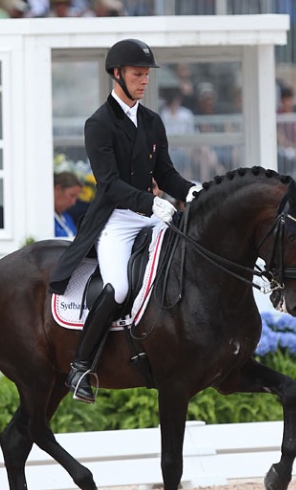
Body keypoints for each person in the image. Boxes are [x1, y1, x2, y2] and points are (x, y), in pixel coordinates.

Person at [50, 38, 199, 404]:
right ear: (117, 74)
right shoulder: (98, 124)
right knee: (116, 286)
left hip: (151, 213)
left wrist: (191, 191)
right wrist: (151, 203)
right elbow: (109, 183)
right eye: (137, 74)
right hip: (116, 218)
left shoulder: (151, 120)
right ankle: (80, 366)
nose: (144, 80)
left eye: (146, 74)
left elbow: (165, 173)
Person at [53, 170, 82, 237]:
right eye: (72, 195)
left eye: (76, 198)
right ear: (58, 189)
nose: (73, 202)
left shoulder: (67, 218)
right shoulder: (45, 218)